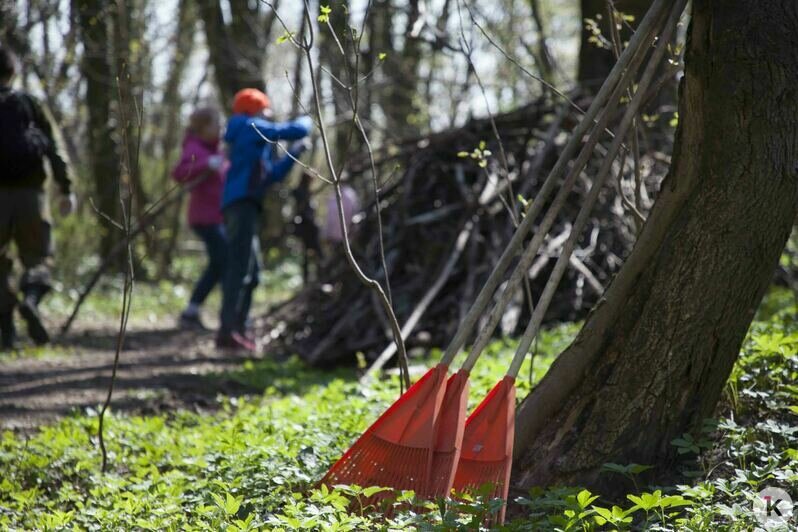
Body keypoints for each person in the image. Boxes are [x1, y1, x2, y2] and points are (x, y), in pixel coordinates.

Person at [217, 88, 312, 351]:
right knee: (239, 268)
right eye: (264, 109)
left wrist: (295, 153)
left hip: (246, 204)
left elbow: (271, 176)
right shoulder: (248, 126)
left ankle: (237, 328)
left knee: (252, 272)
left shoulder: (251, 138)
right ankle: (227, 331)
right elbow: (293, 129)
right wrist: (308, 121)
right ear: (253, 108)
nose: (268, 114)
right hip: (241, 204)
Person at [0, 46, 75, 349]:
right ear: (13, 71)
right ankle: (31, 300)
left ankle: (7, 335)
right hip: (32, 197)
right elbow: (54, 148)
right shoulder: (30, 104)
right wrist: (66, 188)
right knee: (38, 258)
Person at [171, 106, 228, 330]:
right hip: (204, 218)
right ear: (203, 127)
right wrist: (206, 163)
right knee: (225, 258)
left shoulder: (217, 149)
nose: (220, 128)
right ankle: (225, 314)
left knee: (218, 263)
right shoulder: (195, 147)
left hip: (217, 216)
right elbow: (179, 172)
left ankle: (192, 311)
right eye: (216, 124)